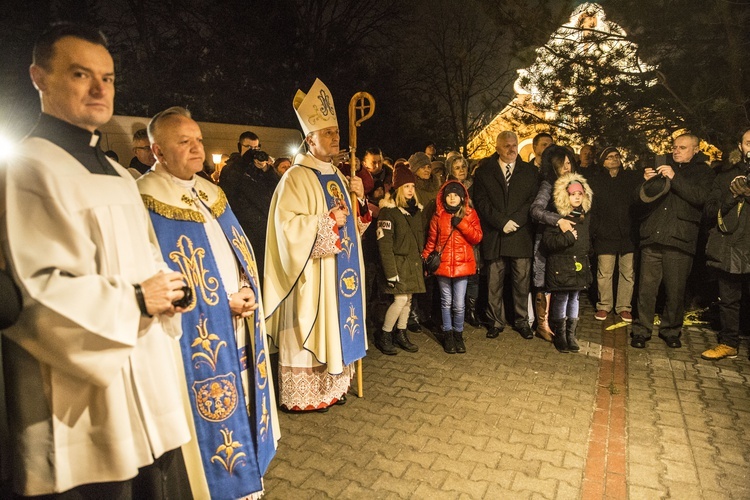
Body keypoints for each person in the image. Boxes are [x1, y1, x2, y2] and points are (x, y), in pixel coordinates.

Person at [0, 23, 192, 497]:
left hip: (145, 381)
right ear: (39, 78)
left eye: (107, 78)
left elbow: (145, 254)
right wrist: (134, 301)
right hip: (79, 400)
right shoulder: (28, 167)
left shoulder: (117, 173)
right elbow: (32, 293)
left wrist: (169, 291)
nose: (99, 89)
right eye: (81, 74)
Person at [137, 106, 279, 498]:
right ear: (158, 151)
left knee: (246, 404)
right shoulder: (144, 200)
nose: (197, 148)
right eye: (184, 142)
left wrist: (249, 287)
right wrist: (220, 306)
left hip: (239, 322)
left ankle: (248, 481)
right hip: (196, 336)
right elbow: (156, 278)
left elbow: (237, 250)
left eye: (199, 140)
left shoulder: (211, 192)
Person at [264, 78, 369, 412]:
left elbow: (355, 228)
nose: (336, 138)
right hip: (311, 273)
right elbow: (286, 228)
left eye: (337, 133)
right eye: (328, 133)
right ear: (310, 139)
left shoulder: (340, 175)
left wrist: (360, 200)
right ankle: (305, 396)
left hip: (339, 273)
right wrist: (325, 223)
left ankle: (333, 388)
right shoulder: (295, 177)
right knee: (308, 324)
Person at [630, 133, 715, 349]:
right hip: (653, 236)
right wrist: (647, 183)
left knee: (676, 291)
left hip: (680, 239)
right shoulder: (661, 166)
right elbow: (638, 202)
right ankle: (641, 330)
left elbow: (700, 198)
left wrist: (675, 178)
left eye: (682, 147)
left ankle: (671, 330)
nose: (676, 151)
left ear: (696, 150)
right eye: (675, 147)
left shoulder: (703, 172)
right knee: (646, 290)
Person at [473, 131, 539, 340]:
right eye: (507, 146)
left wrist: (517, 221)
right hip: (496, 234)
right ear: (497, 147)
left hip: (521, 234)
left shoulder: (530, 171)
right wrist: (501, 222)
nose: (512, 150)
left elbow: (532, 200)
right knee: (494, 282)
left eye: (514, 145)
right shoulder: (484, 172)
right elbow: (481, 202)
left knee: (522, 281)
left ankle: (521, 321)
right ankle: (495, 321)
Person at [701, 127, 750, 360]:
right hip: (732, 248)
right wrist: (732, 197)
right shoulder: (724, 176)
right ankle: (729, 343)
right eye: (749, 143)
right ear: (740, 147)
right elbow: (710, 211)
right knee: (729, 300)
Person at [423, 180, 482, 353]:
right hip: (443, 266)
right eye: (449, 195)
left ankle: (458, 334)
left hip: (462, 266)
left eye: (455, 195)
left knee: (459, 304)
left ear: (462, 197)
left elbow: (477, 237)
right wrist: (426, 258)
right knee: (446, 302)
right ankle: (448, 335)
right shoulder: (438, 216)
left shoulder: (469, 214)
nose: (452, 198)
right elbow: (432, 240)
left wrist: (462, 224)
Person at [530, 146, 580, 340]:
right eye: (563, 163)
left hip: (568, 242)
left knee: (564, 282)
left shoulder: (576, 185)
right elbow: (535, 210)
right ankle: (542, 325)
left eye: (569, 163)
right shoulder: (548, 184)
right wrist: (557, 219)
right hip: (547, 240)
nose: (567, 167)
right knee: (544, 283)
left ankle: (561, 324)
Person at [376, 163, 426, 354]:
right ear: (398, 188)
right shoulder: (389, 212)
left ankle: (401, 333)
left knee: (408, 300)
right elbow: (385, 245)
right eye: (406, 186)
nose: (410, 190)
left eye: (412, 186)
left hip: (412, 263)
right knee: (400, 300)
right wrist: (390, 272)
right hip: (397, 264)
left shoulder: (416, 211)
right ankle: (385, 334)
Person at [543, 173, 594, 352]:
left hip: (579, 264)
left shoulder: (585, 216)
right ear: (565, 196)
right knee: (562, 297)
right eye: (573, 194)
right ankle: (560, 334)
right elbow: (548, 242)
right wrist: (567, 238)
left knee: (575, 297)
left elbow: (588, 239)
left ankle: (571, 334)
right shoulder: (558, 216)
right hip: (561, 266)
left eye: (580, 194)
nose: (577, 197)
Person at [589, 146, 640, 323]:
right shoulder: (596, 181)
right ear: (602, 161)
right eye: (609, 157)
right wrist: (595, 230)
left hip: (627, 233)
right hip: (605, 233)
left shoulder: (629, 179)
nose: (614, 159)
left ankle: (624, 307)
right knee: (605, 272)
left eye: (617, 156)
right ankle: (604, 305)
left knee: (627, 272)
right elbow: (592, 209)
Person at [219, 145, 279, 288]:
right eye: (248, 147)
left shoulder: (259, 169)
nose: (253, 150)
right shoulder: (233, 168)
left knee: (263, 270)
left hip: (263, 227)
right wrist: (243, 163)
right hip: (243, 227)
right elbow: (229, 189)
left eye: (256, 147)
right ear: (240, 147)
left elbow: (277, 187)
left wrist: (266, 169)